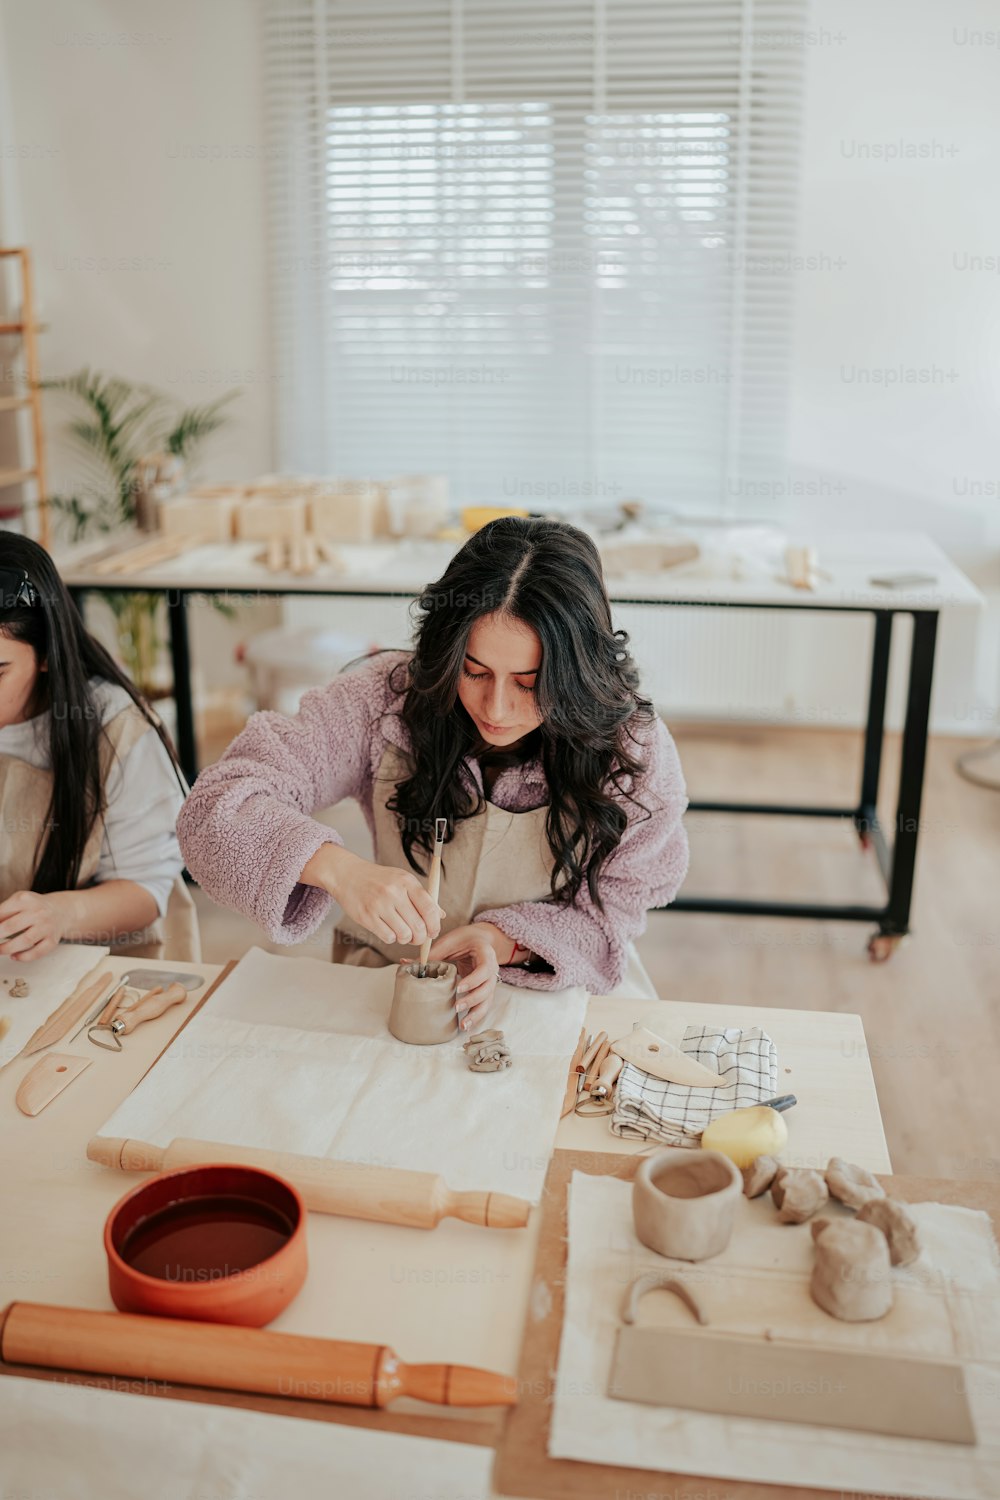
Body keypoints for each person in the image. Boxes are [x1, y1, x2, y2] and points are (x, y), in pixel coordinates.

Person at [178, 517, 688, 1029]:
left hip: (552, 983)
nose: (497, 708)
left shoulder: (631, 749)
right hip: (391, 977)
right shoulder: (383, 700)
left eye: (530, 684)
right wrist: (338, 869)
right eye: (475, 671)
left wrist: (502, 941)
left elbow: (615, 913)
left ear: (575, 672)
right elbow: (213, 810)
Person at [0, 533, 198, 961]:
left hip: (107, 964)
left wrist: (59, 913)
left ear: (47, 653)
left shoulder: (115, 729)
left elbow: (144, 887)